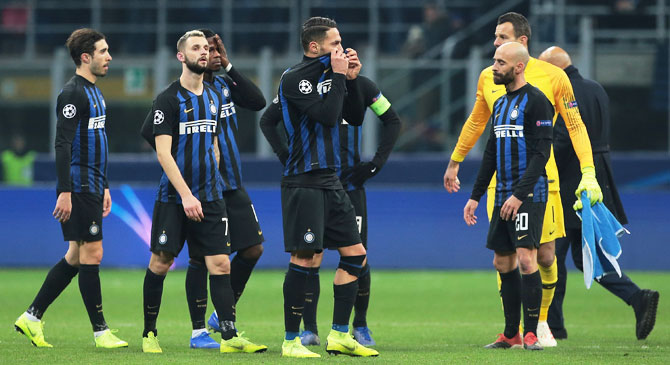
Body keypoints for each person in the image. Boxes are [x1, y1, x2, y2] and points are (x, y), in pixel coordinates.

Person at [443, 12, 603, 347]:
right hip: (499, 185)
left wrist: (588, 171)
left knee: (544, 256)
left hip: (543, 182)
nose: (495, 46)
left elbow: (575, 126)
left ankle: (541, 323)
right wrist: (456, 160)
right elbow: (477, 124)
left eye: (502, 39)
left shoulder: (552, 78)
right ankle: (515, 331)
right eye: (495, 40)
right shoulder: (490, 79)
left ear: (522, 43)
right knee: (506, 258)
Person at [138, 30, 264, 354]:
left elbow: (215, 142)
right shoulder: (168, 99)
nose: (204, 52)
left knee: (220, 264)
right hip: (174, 198)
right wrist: (186, 194)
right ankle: (149, 333)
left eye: (206, 48)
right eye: (196, 48)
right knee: (161, 262)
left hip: (211, 195)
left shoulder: (214, 95)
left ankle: (229, 336)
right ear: (181, 56)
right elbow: (163, 152)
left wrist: (212, 179)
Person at [260, 75, 401, 346]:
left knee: (357, 256)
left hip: (349, 185)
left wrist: (375, 164)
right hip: (315, 184)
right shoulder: (307, 86)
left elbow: (393, 120)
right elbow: (267, 119)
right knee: (311, 255)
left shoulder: (362, 86)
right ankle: (309, 328)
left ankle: (359, 325)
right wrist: (285, 155)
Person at [14, 28, 127, 349]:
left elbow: (98, 143)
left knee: (76, 256)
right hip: (77, 187)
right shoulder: (72, 93)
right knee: (93, 252)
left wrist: (104, 185)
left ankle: (31, 317)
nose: (109, 57)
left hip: (93, 185)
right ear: (85, 57)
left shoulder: (96, 92)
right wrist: (64, 191)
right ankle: (101, 331)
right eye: (103, 52)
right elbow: (62, 144)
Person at [538, 46, 660, 341]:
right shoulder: (596, 89)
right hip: (597, 176)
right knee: (584, 256)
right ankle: (636, 297)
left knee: (553, 253)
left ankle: (553, 325)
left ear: (554, 69)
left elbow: (565, 138)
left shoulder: (563, 91)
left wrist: (539, 162)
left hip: (570, 180)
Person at [274, 16, 378, 358]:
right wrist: (336, 76)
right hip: (303, 180)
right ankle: (291, 340)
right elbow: (327, 116)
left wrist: (351, 79)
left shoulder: (332, 76)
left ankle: (338, 334)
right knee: (304, 258)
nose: (342, 48)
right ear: (314, 46)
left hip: (332, 179)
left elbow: (354, 116)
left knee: (356, 255)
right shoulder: (295, 79)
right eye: (335, 43)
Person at [464, 42, 554, 351]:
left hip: (528, 193)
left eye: (500, 62)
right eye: (494, 61)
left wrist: (519, 194)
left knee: (527, 259)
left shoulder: (538, 102)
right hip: (502, 193)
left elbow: (542, 153)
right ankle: (510, 333)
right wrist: (475, 195)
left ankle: (531, 334)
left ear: (518, 67)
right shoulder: (500, 104)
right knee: (502, 261)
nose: (493, 67)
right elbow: (490, 153)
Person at [184, 28, 267, 349]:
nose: (211, 53)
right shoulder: (187, 92)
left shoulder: (223, 84)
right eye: (205, 48)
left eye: (215, 48)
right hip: (204, 187)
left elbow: (258, 102)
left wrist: (228, 65)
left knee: (253, 249)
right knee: (200, 260)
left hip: (232, 184)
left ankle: (222, 314)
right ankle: (197, 332)